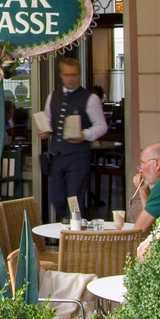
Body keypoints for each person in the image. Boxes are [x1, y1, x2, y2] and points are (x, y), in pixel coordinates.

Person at [41, 58, 108, 220]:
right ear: (61, 75)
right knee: (56, 197)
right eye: (67, 75)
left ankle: (73, 233)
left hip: (78, 157)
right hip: (57, 156)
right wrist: (45, 131)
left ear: (78, 75)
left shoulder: (90, 98)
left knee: (74, 198)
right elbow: (48, 121)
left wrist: (84, 134)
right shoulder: (53, 96)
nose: (71, 78)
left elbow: (101, 126)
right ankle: (65, 225)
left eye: (74, 75)